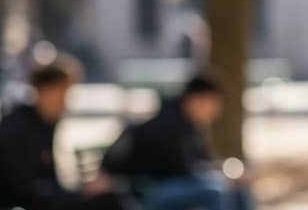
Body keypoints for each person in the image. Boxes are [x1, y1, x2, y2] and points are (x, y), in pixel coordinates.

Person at [0, 60, 130, 210]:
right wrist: (81, 194)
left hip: (35, 201)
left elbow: (46, 183)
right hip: (16, 205)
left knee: (110, 198)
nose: (65, 103)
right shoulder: (18, 129)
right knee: (108, 202)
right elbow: (25, 191)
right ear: (44, 92)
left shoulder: (42, 125)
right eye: (61, 95)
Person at [101, 73, 253, 210]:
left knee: (238, 189)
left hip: (174, 184)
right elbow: (183, 168)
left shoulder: (190, 125)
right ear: (194, 100)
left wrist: (226, 171)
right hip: (150, 189)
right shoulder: (169, 123)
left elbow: (201, 160)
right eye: (212, 104)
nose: (214, 112)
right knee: (217, 191)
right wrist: (221, 176)